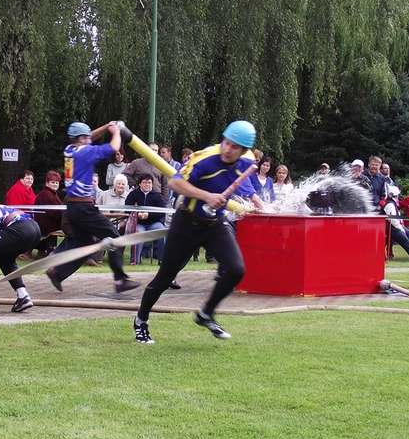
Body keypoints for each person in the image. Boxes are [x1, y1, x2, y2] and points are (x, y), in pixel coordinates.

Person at [132, 120, 265, 344]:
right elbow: (175, 184)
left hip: (215, 224)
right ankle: (141, 320)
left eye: (234, 147)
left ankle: (206, 314)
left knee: (236, 269)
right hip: (187, 223)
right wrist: (206, 196)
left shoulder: (248, 161)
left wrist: (257, 202)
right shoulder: (204, 159)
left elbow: (243, 183)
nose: (228, 149)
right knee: (165, 277)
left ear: (243, 150)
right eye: (226, 142)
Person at [46, 122, 139, 294]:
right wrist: (116, 131)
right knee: (114, 238)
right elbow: (114, 147)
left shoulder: (70, 150)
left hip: (72, 206)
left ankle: (57, 273)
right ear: (81, 138)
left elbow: (90, 137)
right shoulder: (86, 152)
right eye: (86, 137)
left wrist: (106, 127)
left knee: (85, 243)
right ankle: (120, 280)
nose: (90, 138)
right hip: (83, 207)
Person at [124, 174, 167, 264]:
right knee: (138, 233)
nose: (147, 184)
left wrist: (148, 215)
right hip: (139, 223)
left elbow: (162, 212)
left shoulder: (157, 195)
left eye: (149, 183)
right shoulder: (133, 194)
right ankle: (135, 260)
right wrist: (137, 214)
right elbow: (127, 209)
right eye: (145, 182)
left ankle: (163, 260)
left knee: (162, 232)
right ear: (140, 184)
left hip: (154, 223)